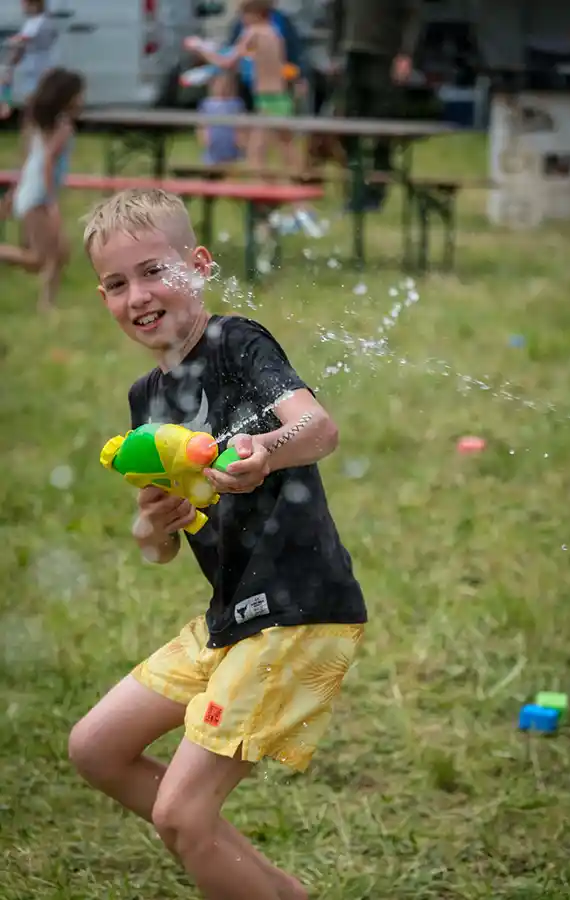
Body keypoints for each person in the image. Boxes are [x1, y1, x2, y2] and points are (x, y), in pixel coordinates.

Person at [70, 187, 367, 900]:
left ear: (198, 267)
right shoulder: (146, 401)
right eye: (116, 284)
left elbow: (319, 429)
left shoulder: (237, 344)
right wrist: (152, 526)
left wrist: (263, 452)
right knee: (96, 750)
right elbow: (160, 547)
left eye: (153, 271)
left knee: (182, 812)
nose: (137, 295)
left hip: (299, 609)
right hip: (232, 613)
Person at [0, 67, 84, 310]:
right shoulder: (63, 127)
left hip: (30, 192)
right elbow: (47, 162)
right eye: (78, 94)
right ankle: (46, 305)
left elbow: (28, 160)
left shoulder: (41, 124)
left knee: (59, 252)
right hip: (38, 196)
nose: (82, 99)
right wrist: (51, 203)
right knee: (39, 258)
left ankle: (47, 305)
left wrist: (13, 193)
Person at [330, 0, 423, 211]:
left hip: (384, 53)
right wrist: (334, 51)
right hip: (352, 52)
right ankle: (355, 188)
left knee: (382, 127)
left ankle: (376, 192)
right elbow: (336, 11)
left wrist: (406, 53)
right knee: (348, 126)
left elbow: (413, 15)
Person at [192, 0, 301, 176]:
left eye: (244, 15)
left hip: (267, 98)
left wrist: (200, 48)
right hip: (279, 95)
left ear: (255, 14)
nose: (242, 20)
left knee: (257, 150)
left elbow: (226, 62)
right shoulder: (273, 32)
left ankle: (263, 195)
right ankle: (294, 194)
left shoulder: (254, 32)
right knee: (286, 146)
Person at [0, 0, 58, 121]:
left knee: (33, 97)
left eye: (24, 4)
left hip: (37, 64)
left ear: (34, 5)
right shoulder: (33, 21)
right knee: (10, 83)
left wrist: (11, 42)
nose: (22, 8)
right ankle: (8, 106)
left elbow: (24, 39)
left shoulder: (40, 21)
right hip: (32, 63)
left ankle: (30, 119)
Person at [197, 71, 245, 167]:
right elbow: (202, 122)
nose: (222, 88)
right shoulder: (207, 103)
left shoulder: (236, 103)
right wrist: (203, 135)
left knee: (230, 163)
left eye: (226, 85)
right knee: (212, 163)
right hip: (214, 137)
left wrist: (241, 136)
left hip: (230, 137)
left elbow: (241, 121)